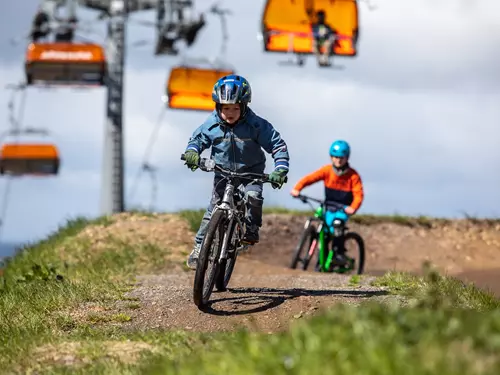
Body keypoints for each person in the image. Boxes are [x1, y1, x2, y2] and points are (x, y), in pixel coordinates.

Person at [183, 74, 290, 270]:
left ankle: (251, 228)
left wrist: (280, 169)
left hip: (251, 171)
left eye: (235, 108)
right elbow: (196, 140)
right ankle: (199, 247)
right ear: (218, 107)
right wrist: (192, 153)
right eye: (225, 108)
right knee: (214, 207)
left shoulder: (256, 125)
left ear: (244, 106)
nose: (230, 113)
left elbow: (277, 145)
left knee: (253, 196)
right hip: (222, 171)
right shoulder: (211, 124)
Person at [290, 140, 364, 265]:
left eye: (342, 157)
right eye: (336, 157)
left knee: (337, 224)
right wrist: (297, 188)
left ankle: (338, 253)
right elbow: (310, 178)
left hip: (343, 209)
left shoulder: (353, 176)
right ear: (331, 157)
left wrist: (353, 207)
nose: (338, 160)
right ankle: (320, 254)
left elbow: (358, 194)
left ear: (347, 158)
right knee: (321, 224)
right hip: (328, 206)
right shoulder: (327, 170)